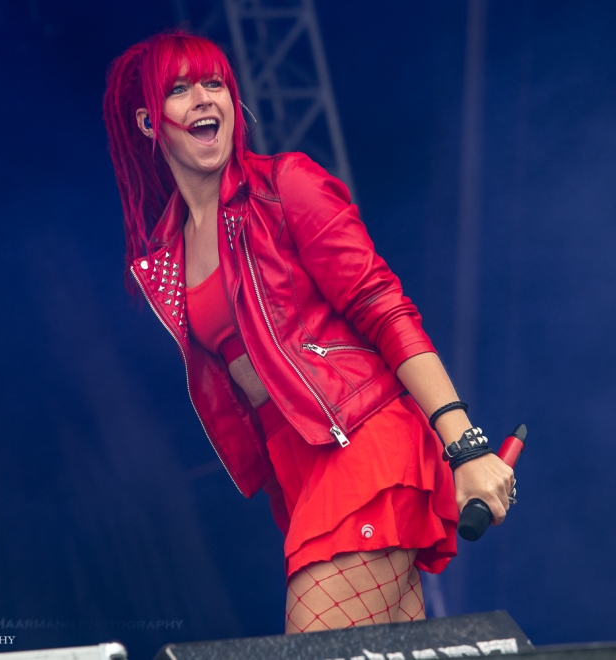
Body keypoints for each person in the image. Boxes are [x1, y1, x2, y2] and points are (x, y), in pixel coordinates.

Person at [102, 31, 514, 633]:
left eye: (215, 83)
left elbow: (383, 306)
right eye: (179, 90)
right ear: (148, 121)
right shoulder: (166, 254)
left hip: (362, 445)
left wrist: (465, 446)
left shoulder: (283, 186)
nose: (205, 99)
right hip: (297, 471)